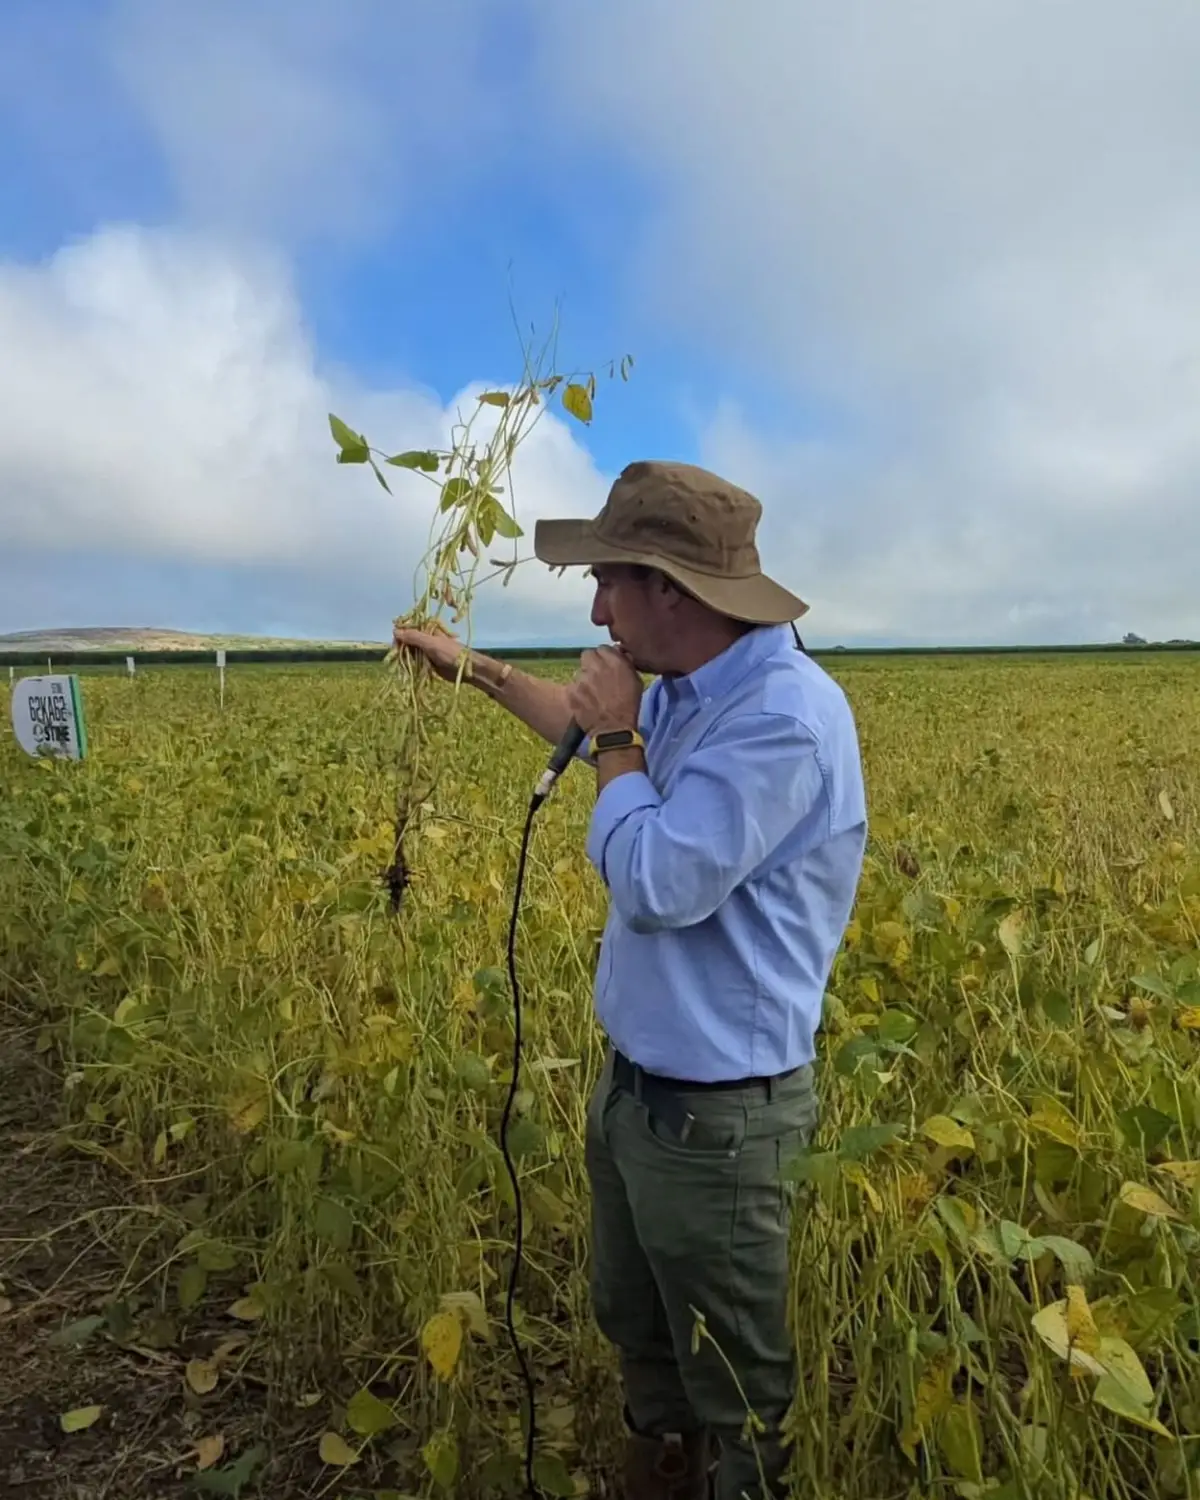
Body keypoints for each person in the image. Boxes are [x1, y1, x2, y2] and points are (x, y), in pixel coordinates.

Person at [395, 459, 867, 1500]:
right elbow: (602, 740)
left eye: (609, 579)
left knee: (740, 1389)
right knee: (644, 1345)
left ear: (671, 590)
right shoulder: (699, 686)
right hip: (640, 1100)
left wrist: (614, 735)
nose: (597, 606)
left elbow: (657, 878)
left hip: (721, 1124)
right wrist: (472, 669)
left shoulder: (783, 718)